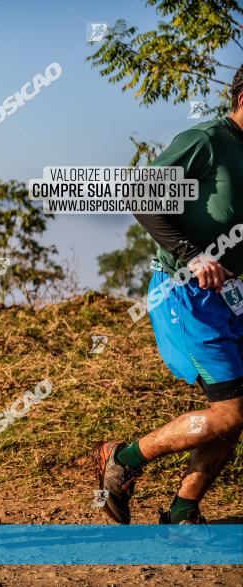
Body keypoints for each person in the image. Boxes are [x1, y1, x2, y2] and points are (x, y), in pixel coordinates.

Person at [93, 63, 243, 525]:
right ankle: (123, 459)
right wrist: (195, 256)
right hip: (187, 294)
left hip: (232, 298)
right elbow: (141, 195)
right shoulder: (207, 141)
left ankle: (182, 512)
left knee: (231, 414)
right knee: (233, 412)